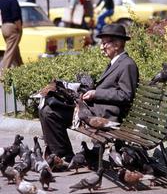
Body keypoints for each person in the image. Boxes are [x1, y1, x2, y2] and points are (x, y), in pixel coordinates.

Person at [39, 23, 139, 164]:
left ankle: (63, 156)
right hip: (93, 110)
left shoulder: (127, 64)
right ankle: (63, 155)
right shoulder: (115, 62)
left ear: (116, 45)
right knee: (47, 108)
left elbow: (125, 95)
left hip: (103, 115)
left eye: (105, 44)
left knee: (50, 112)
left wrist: (96, 94)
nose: (101, 47)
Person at [0, 0, 23, 76]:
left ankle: (22, 69)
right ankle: (2, 74)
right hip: (12, 27)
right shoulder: (13, 0)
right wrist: (20, 28)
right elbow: (16, 16)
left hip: (4, 27)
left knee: (14, 50)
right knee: (10, 52)